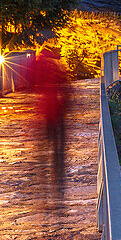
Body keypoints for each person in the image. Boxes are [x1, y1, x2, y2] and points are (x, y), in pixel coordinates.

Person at [26, 47, 70, 199]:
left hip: (45, 105)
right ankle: (57, 166)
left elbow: (29, 81)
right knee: (58, 139)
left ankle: (44, 166)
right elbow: (65, 84)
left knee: (46, 137)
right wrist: (68, 101)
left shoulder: (37, 66)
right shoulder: (55, 66)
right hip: (57, 105)